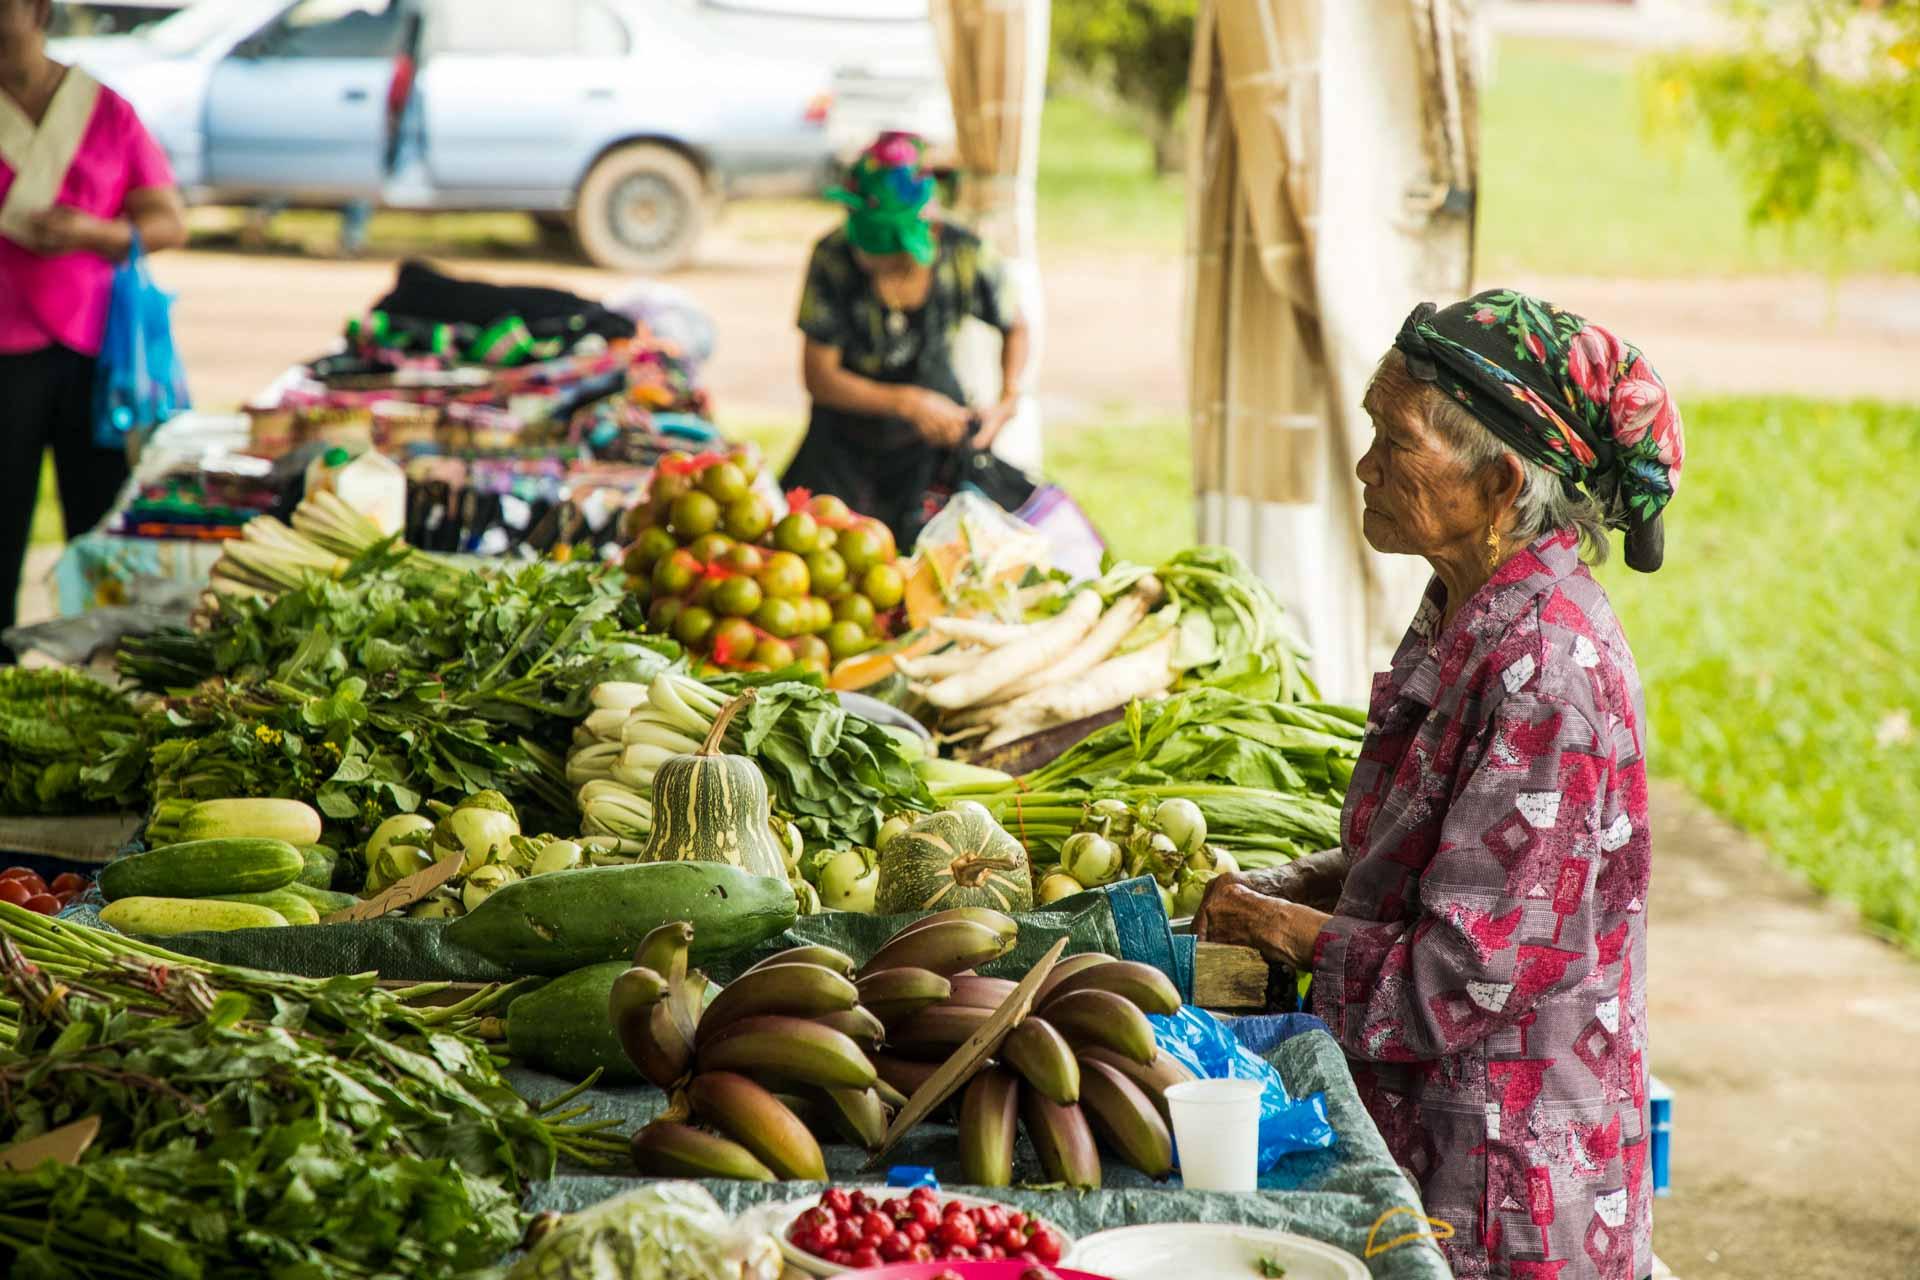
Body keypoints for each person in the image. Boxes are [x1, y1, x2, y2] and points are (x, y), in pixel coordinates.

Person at [1196, 290, 1684, 1280]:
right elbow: (1435, 848)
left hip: (1503, 1188)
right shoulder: (1466, 605)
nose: (1365, 461)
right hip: (1435, 1143)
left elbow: (1460, 977)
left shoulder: (1548, 667)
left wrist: (1270, 928)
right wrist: (1302, 880)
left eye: (1393, 437)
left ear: (1501, 480)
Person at [0, 0, 185, 659]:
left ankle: (100, 666)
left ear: (39, 10)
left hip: (94, 351)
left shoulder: (102, 109)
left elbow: (169, 219)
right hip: (4, 354)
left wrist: (90, 232)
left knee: (99, 519)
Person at [783, 131, 1031, 544]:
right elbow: (819, 377)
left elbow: (1015, 325)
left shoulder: (966, 256)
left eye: (886, 255)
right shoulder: (832, 259)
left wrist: (1007, 398)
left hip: (931, 450)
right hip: (842, 445)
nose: (869, 262)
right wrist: (906, 402)